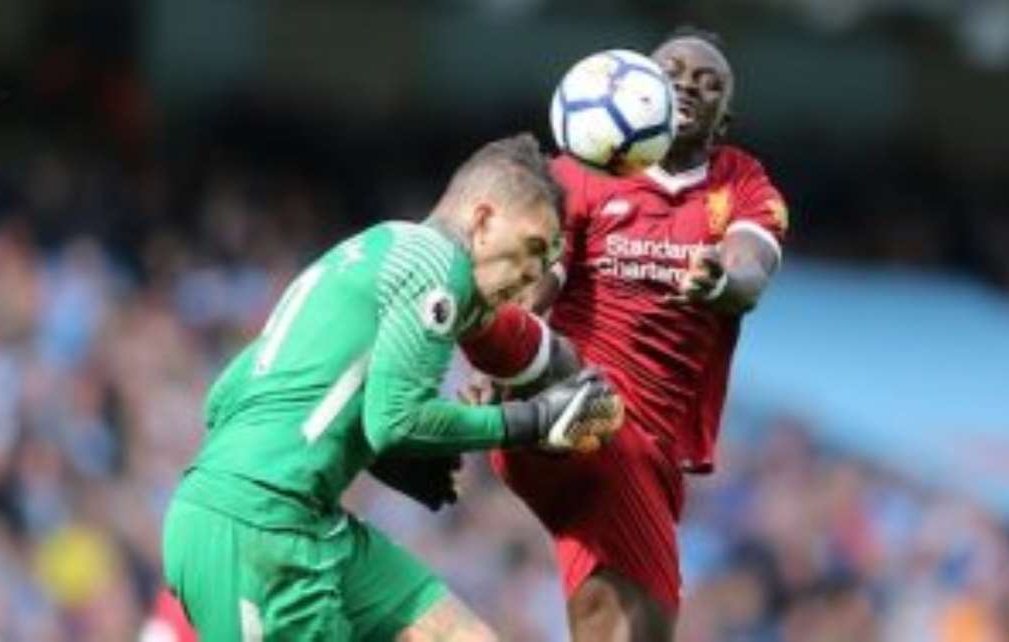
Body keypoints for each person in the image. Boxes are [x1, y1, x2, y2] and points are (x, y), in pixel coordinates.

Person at [161, 133, 623, 642]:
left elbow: (224, 397)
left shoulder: (374, 249)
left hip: (302, 521)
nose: (533, 273)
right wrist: (535, 421)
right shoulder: (437, 265)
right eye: (531, 247)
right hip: (256, 532)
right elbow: (397, 420)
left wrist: (389, 458)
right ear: (482, 219)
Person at [460, 27, 790, 641]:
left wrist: (724, 281)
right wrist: (496, 359)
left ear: (724, 118)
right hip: (575, 408)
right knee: (571, 380)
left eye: (708, 83)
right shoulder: (579, 174)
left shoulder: (740, 182)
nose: (688, 86)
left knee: (630, 625)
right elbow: (541, 280)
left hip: (648, 452)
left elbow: (751, 268)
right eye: (674, 73)